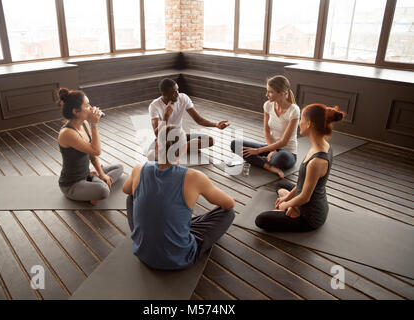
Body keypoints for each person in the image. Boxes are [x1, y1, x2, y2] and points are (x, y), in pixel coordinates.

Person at [123, 124, 235, 270]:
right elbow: (229, 204)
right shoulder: (195, 177)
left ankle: (153, 232)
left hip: (142, 253)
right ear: (184, 149)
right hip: (179, 259)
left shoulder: (139, 169)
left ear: (157, 145)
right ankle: (177, 228)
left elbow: (126, 189)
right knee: (228, 213)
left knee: (131, 196)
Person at [255, 103, 344, 232]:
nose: (299, 123)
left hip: (311, 216)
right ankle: (293, 207)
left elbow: (305, 197)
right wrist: (287, 198)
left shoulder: (317, 161)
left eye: (301, 119)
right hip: (312, 199)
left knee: (261, 220)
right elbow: (303, 182)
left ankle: (295, 211)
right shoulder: (322, 145)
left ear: (309, 124)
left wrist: (285, 205)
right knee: (281, 185)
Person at [57, 88, 124, 205]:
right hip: (72, 184)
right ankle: (96, 182)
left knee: (119, 167)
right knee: (103, 191)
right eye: (87, 106)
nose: (91, 108)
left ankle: (95, 179)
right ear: (76, 111)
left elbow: (93, 156)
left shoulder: (84, 124)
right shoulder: (67, 133)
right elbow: (97, 150)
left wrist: (101, 173)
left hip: (86, 174)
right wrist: (94, 124)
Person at [230, 75, 300, 178]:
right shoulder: (268, 105)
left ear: (281, 94)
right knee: (235, 144)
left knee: (281, 157)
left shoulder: (294, 110)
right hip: (271, 147)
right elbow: (266, 132)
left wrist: (257, 151)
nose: (267, 94)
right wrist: (272, 150)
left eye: (270, 92)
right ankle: (268, 166)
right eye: (267, 91)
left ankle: (261, 159)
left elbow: (284, 142)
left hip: (287, 152)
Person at [148, 78, 230, 160]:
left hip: (180, 136)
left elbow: (199, 120)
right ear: (164, 94)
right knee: (152, 156)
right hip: (164, 140)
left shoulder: (183, 98)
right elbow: (157, 134)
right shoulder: (154, 106)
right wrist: (166, 116)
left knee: (210, 140)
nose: (177, 94)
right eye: (173, 92)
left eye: (178, 90)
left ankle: (177, 150)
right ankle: (180, 149)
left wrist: (216, 125)